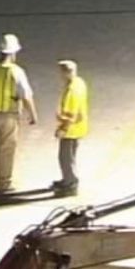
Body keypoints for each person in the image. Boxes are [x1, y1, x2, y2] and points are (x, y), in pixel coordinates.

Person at [0, 33, 38, 191]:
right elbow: (26, 95)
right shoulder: (16, 71)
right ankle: (4, 182)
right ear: (13, 52)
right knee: (7, 148)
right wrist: (33, 115)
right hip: (9, 115)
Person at [52, 59, 88, 196]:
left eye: (61, 72)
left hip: (71, 130)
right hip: (79, 128)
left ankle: (70, 184)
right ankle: (67, 180)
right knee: (71, 157)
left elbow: (70, 115)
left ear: (66, 73)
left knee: (65, 158)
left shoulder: (72, 91)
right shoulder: (80, 83)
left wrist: (62, 129)